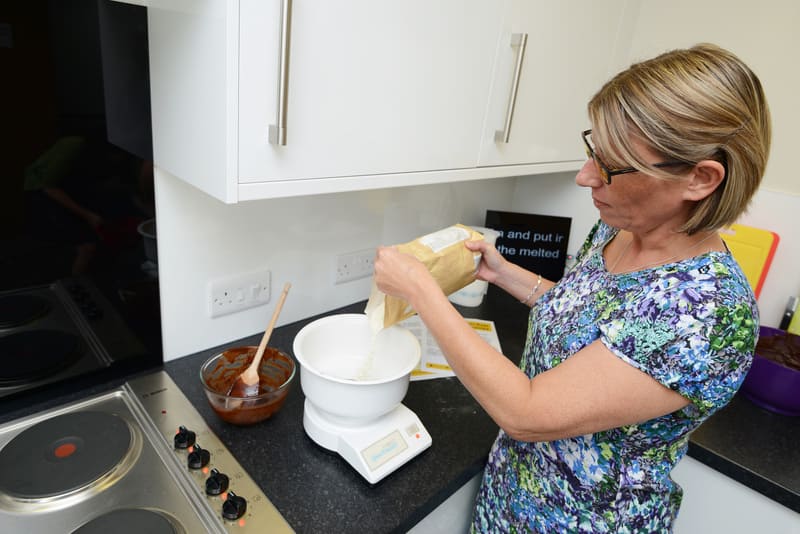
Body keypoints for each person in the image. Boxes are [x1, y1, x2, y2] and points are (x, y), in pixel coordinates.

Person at [373, 43, 771, 532]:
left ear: (700, 178)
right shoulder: (623, 227)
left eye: (611, 166)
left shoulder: (707, 314)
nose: (586, 177)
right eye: (592, 152)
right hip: (512, 491)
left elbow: (527, 411)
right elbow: (590, 319)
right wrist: (506, 274)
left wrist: (422, 292)